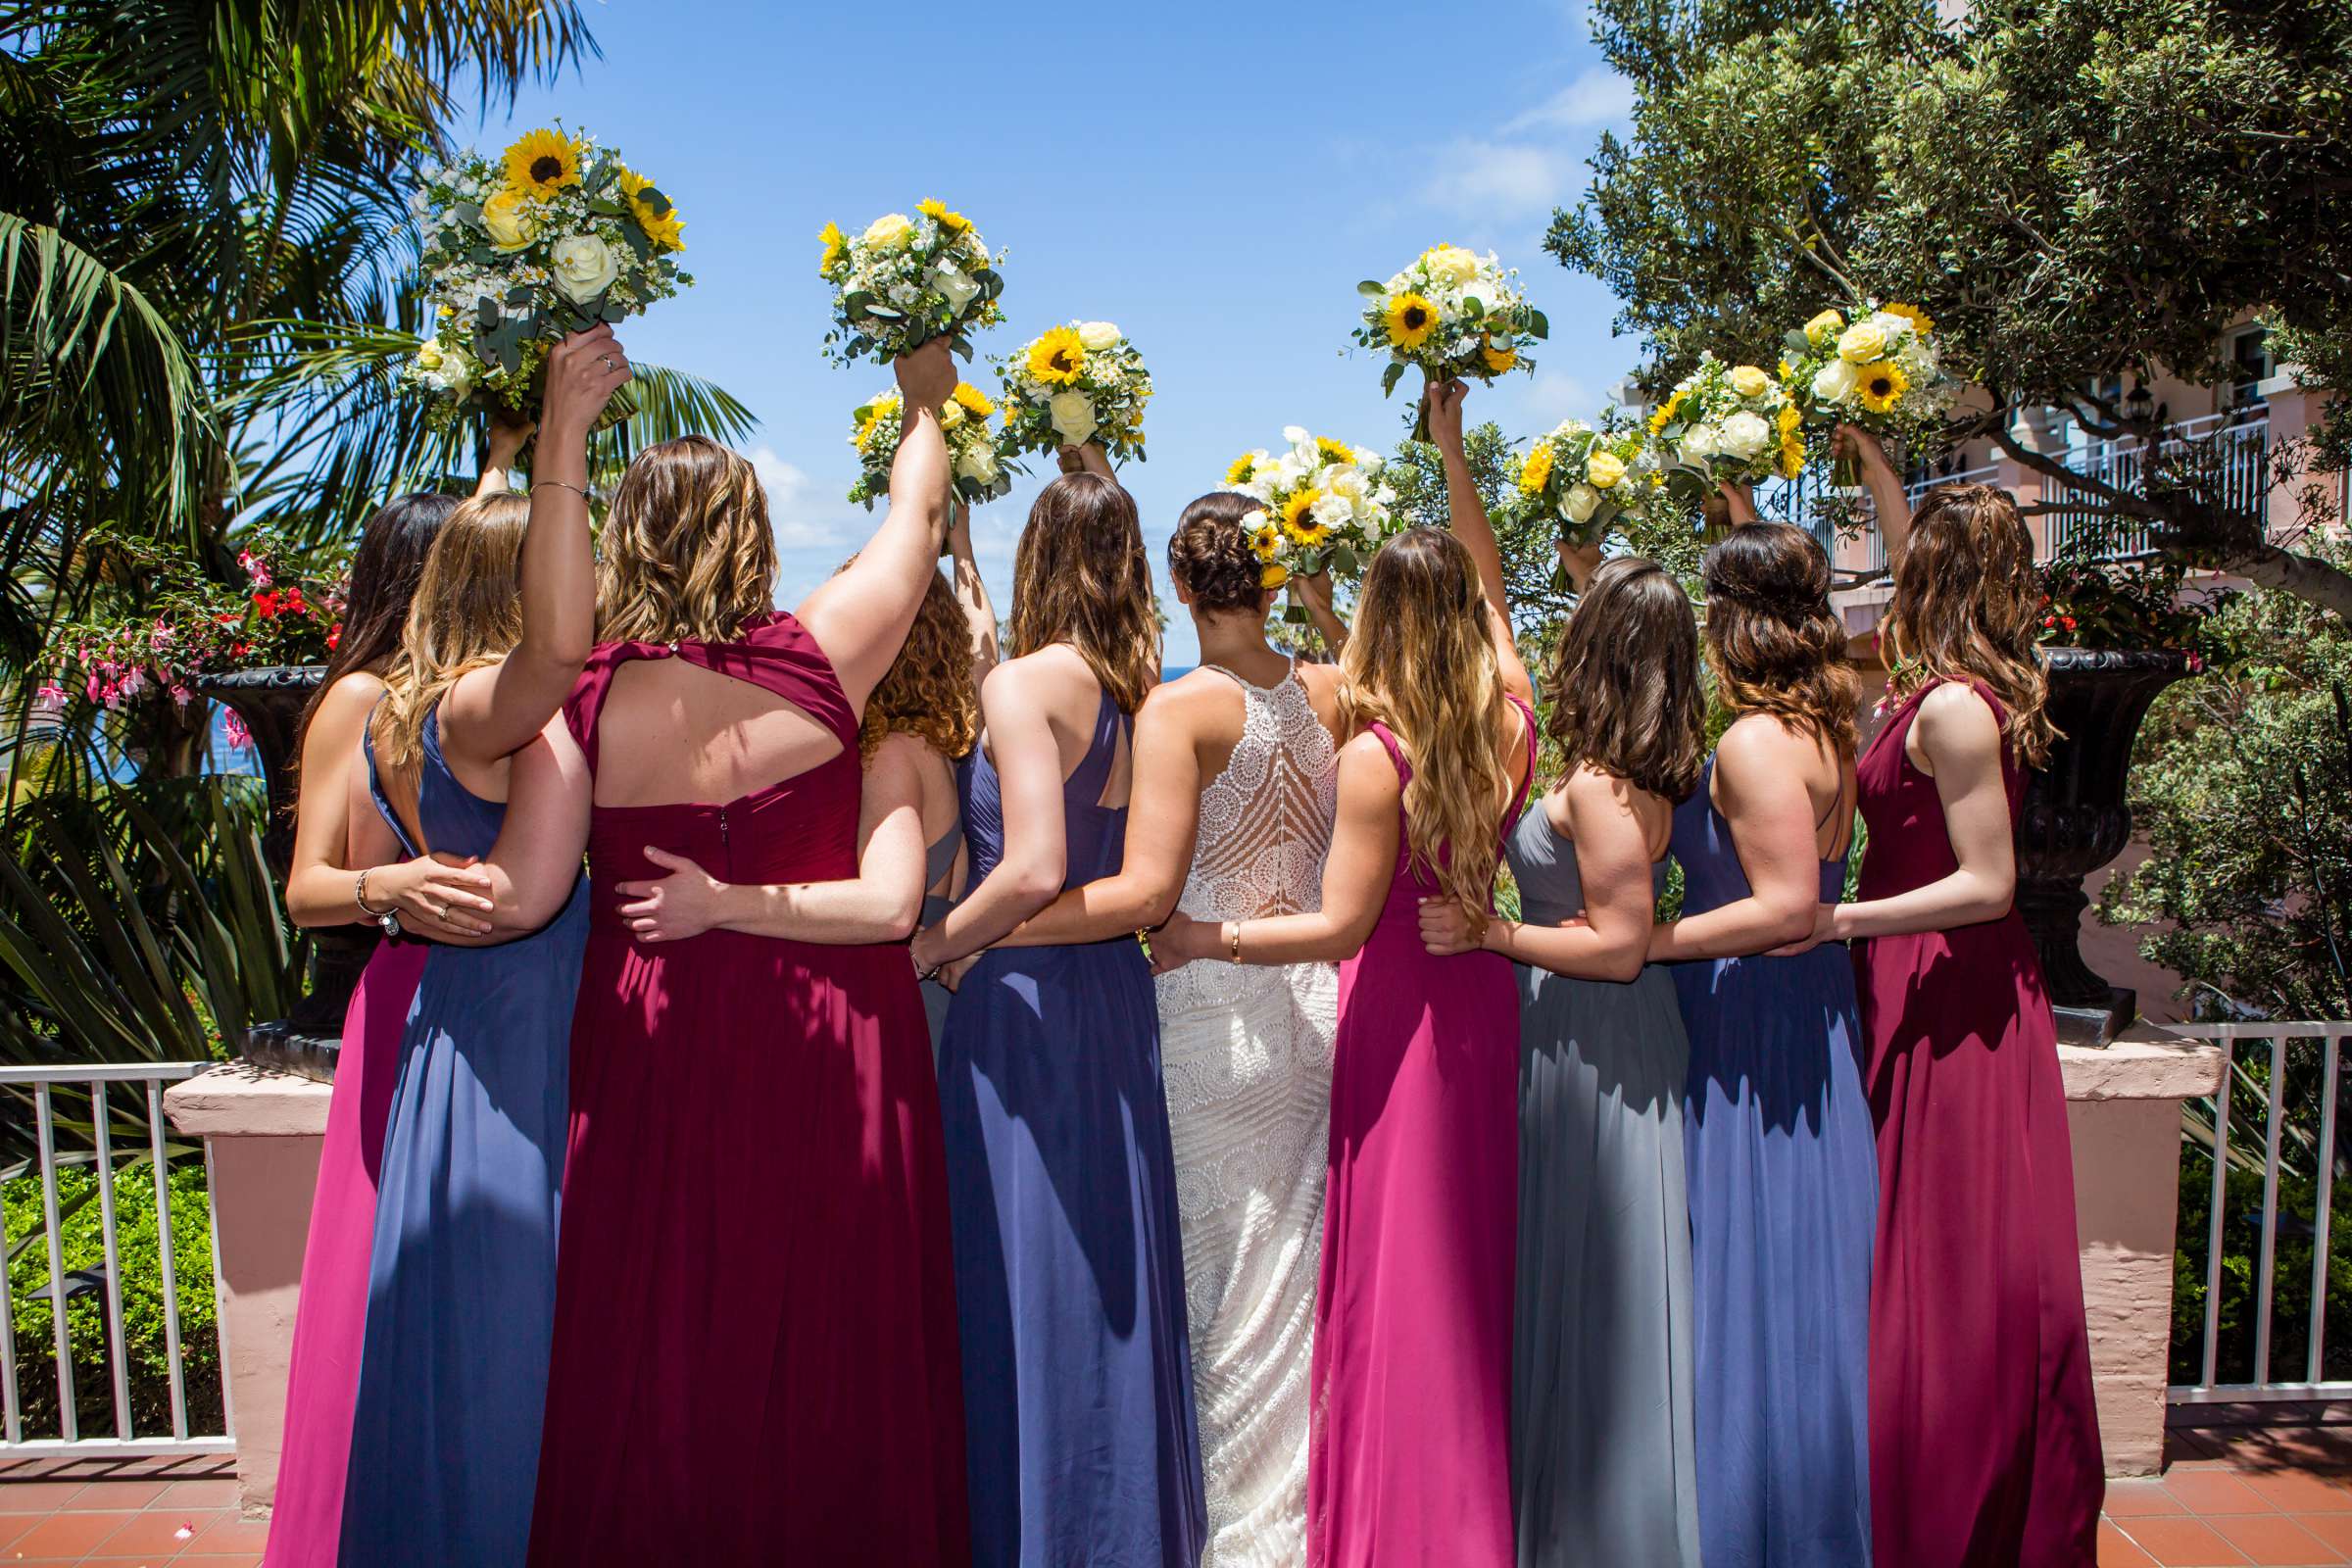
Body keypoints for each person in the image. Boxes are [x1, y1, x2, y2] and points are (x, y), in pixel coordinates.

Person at [527, 341, 970, 1564]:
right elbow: (918, 516)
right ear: (752, 534)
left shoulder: (584, 703)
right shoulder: (826, 658)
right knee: (829, 1306)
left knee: (660, 1314)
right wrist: (918, 398)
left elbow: (529, 886)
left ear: (627, 540)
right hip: (822, 1027)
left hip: (651, 1030)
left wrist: (557, 433)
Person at [1152, 380, 1535, 1568]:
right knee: (1372, 1263)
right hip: (1451, 1007)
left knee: (1285, 1270)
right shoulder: (1494, 713)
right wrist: (1451, 454)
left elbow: (1335, 919)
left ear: (1181, 586)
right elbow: (1493, 599)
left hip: (1325, 1003)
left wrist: (1195, 938)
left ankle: (1324, 1517)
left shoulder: (1354, 742)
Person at [986, 494, 1348, 1565]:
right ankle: (1296, 1519)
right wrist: (1325, 610)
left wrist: (997, 935)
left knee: (1214, 1281)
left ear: (1181, 587)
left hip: (1204, 1010)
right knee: (1296, 1276)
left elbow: (1145, 894)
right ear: (1274, 578)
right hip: (1315, 999)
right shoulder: (1338, 689)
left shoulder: (1175, 710)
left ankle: (1228, 1533)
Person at [1792, 430, 2103, 1565]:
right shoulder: (1933, 688)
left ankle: (1964, 1508)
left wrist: (1839, 920)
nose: (1895, 566)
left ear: (1935, 575)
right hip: (1913, 978)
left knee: (1961, 1264)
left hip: (1953, 988)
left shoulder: (1955, 710)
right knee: (1920, 1257)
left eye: (1911, 555)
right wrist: (1870, 465)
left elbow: (1989, 884)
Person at [334, 336, 620, 1567]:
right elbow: (556, 661)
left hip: (457, 1037)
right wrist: (558, 438)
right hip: (521, 1041)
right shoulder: (484, 707)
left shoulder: (395, 712)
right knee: (515, 1348)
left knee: (452, 1342)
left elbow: (366, 881)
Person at [906, 445, 1204, 1568]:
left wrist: (944, 941)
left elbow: (1031, 866)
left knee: (1022, 1278)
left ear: (1039, 560)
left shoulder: (1024, 684)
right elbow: (1131, 884)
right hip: (1111, 1000)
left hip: (1020, 1011)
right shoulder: (1141, 697)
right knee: (1105, 1281)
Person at [269, 419, 528, 1568]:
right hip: (409, 987)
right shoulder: (361, 697)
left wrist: (508, 454)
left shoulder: (463, 700)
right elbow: (307, 886)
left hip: (490, 984)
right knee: (396, 1269)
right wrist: (392, 884)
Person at [1419, 546, 1708, 1568]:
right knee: (1588, 1278)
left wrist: (1488, 933)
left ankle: (1600, 1535)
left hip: (1597, 1040)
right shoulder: (1633, 774)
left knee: (1601, 1286)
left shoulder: (1602, 788)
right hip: (1584, 1036)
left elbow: (1620, 946)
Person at [1646, 520, 1877, 1567]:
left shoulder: (1752, 742)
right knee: (1800, 1278)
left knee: (1751, 1275)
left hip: (1753, 1021)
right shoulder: (1830, 719)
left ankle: (1754, 1527)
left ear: (1728, 616)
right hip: (1810, 1015)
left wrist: (1648, 942)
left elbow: (1785, 907)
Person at [607, 527, 993, 1060]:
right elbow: (983, 651)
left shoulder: (890, 758)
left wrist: (718, 903)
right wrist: (962, 549)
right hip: (946, 995)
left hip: (908, 998)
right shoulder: (950, 739)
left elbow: (889, 904)